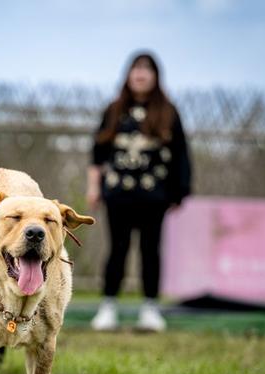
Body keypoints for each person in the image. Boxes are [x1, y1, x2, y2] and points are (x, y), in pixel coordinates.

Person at [87, 51, 191, 332]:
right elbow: (97, 153)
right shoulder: (113, 110)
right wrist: (94, 188)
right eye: (136, 68)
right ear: (128, 74)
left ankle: (150, 309)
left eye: (147, 69)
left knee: (150, 251)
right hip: (118, 194)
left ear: (156, 76)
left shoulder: (169, 112)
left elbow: (181, 153)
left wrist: (181, 191)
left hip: (154, 196)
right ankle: (108, 307)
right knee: (117, 250)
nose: (141, 74)